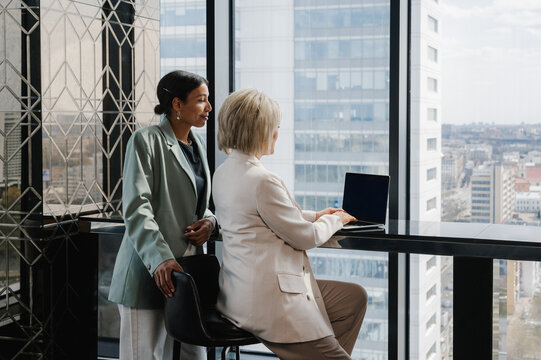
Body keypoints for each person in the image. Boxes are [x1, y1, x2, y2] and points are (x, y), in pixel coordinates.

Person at [213, 88, 368, 360]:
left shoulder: (224, 172)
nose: (277, 133)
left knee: (353, 298)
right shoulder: (262, 180)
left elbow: (260, 217)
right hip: (270, 302)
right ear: (258, 130)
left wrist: (315, 215)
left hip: (238, 296)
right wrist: (336, 219)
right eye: (275, 127)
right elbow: (305, 238)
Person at [108, 70, 218, 360]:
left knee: (193, 355)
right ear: (177, 104)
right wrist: (161, 259)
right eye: (201, 100)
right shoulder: (145, 141)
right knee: (144, 356)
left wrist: (211, 221)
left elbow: (198, 203)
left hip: (186, 276)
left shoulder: (199, 147)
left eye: (208, 100)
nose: (209, 107)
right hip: (148, 271)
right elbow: (136, 207)